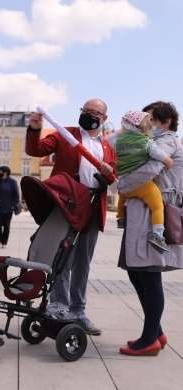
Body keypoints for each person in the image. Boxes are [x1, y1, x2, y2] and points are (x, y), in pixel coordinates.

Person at [25, 98, 116, 335]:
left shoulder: (107, 147)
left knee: (82, 262)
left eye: (93, 112)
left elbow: (111, 181)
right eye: (84, 110)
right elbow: (36, 150)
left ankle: (78, 311)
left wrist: (108, 172)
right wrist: (35, 128)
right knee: (60, 257)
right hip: (66, 205)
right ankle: (58, 307)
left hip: (92, 208)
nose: (87, 114)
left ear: (103, 118)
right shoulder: (65, 135)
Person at [117, 101, 183, 356]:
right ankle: (155, 332)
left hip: (152, 214)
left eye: (151, 119)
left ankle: (150, 339)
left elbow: (150, 169)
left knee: (149, 273)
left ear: (165, 122)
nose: (147, 125)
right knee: (137, 272)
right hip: (141, 211)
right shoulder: (154, 139)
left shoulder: (166, 141)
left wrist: (121, 185)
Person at [109, 110, 173, 252]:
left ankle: (121, 218)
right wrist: (168, 161)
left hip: (124, 182)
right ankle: (157, 234)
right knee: (157, 206)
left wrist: (121, 133)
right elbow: (158, 154)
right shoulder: (146, 141)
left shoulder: (117, 141)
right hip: (142, 184)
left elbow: (110, 140)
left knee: (122, 195)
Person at [0, 166, 20, 249]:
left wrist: (12, 205)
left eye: (1, 171)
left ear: (5, 172)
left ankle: (4, 242)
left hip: (8, 209)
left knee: (6, 225)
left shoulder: (12, 182)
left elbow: (16, 195)